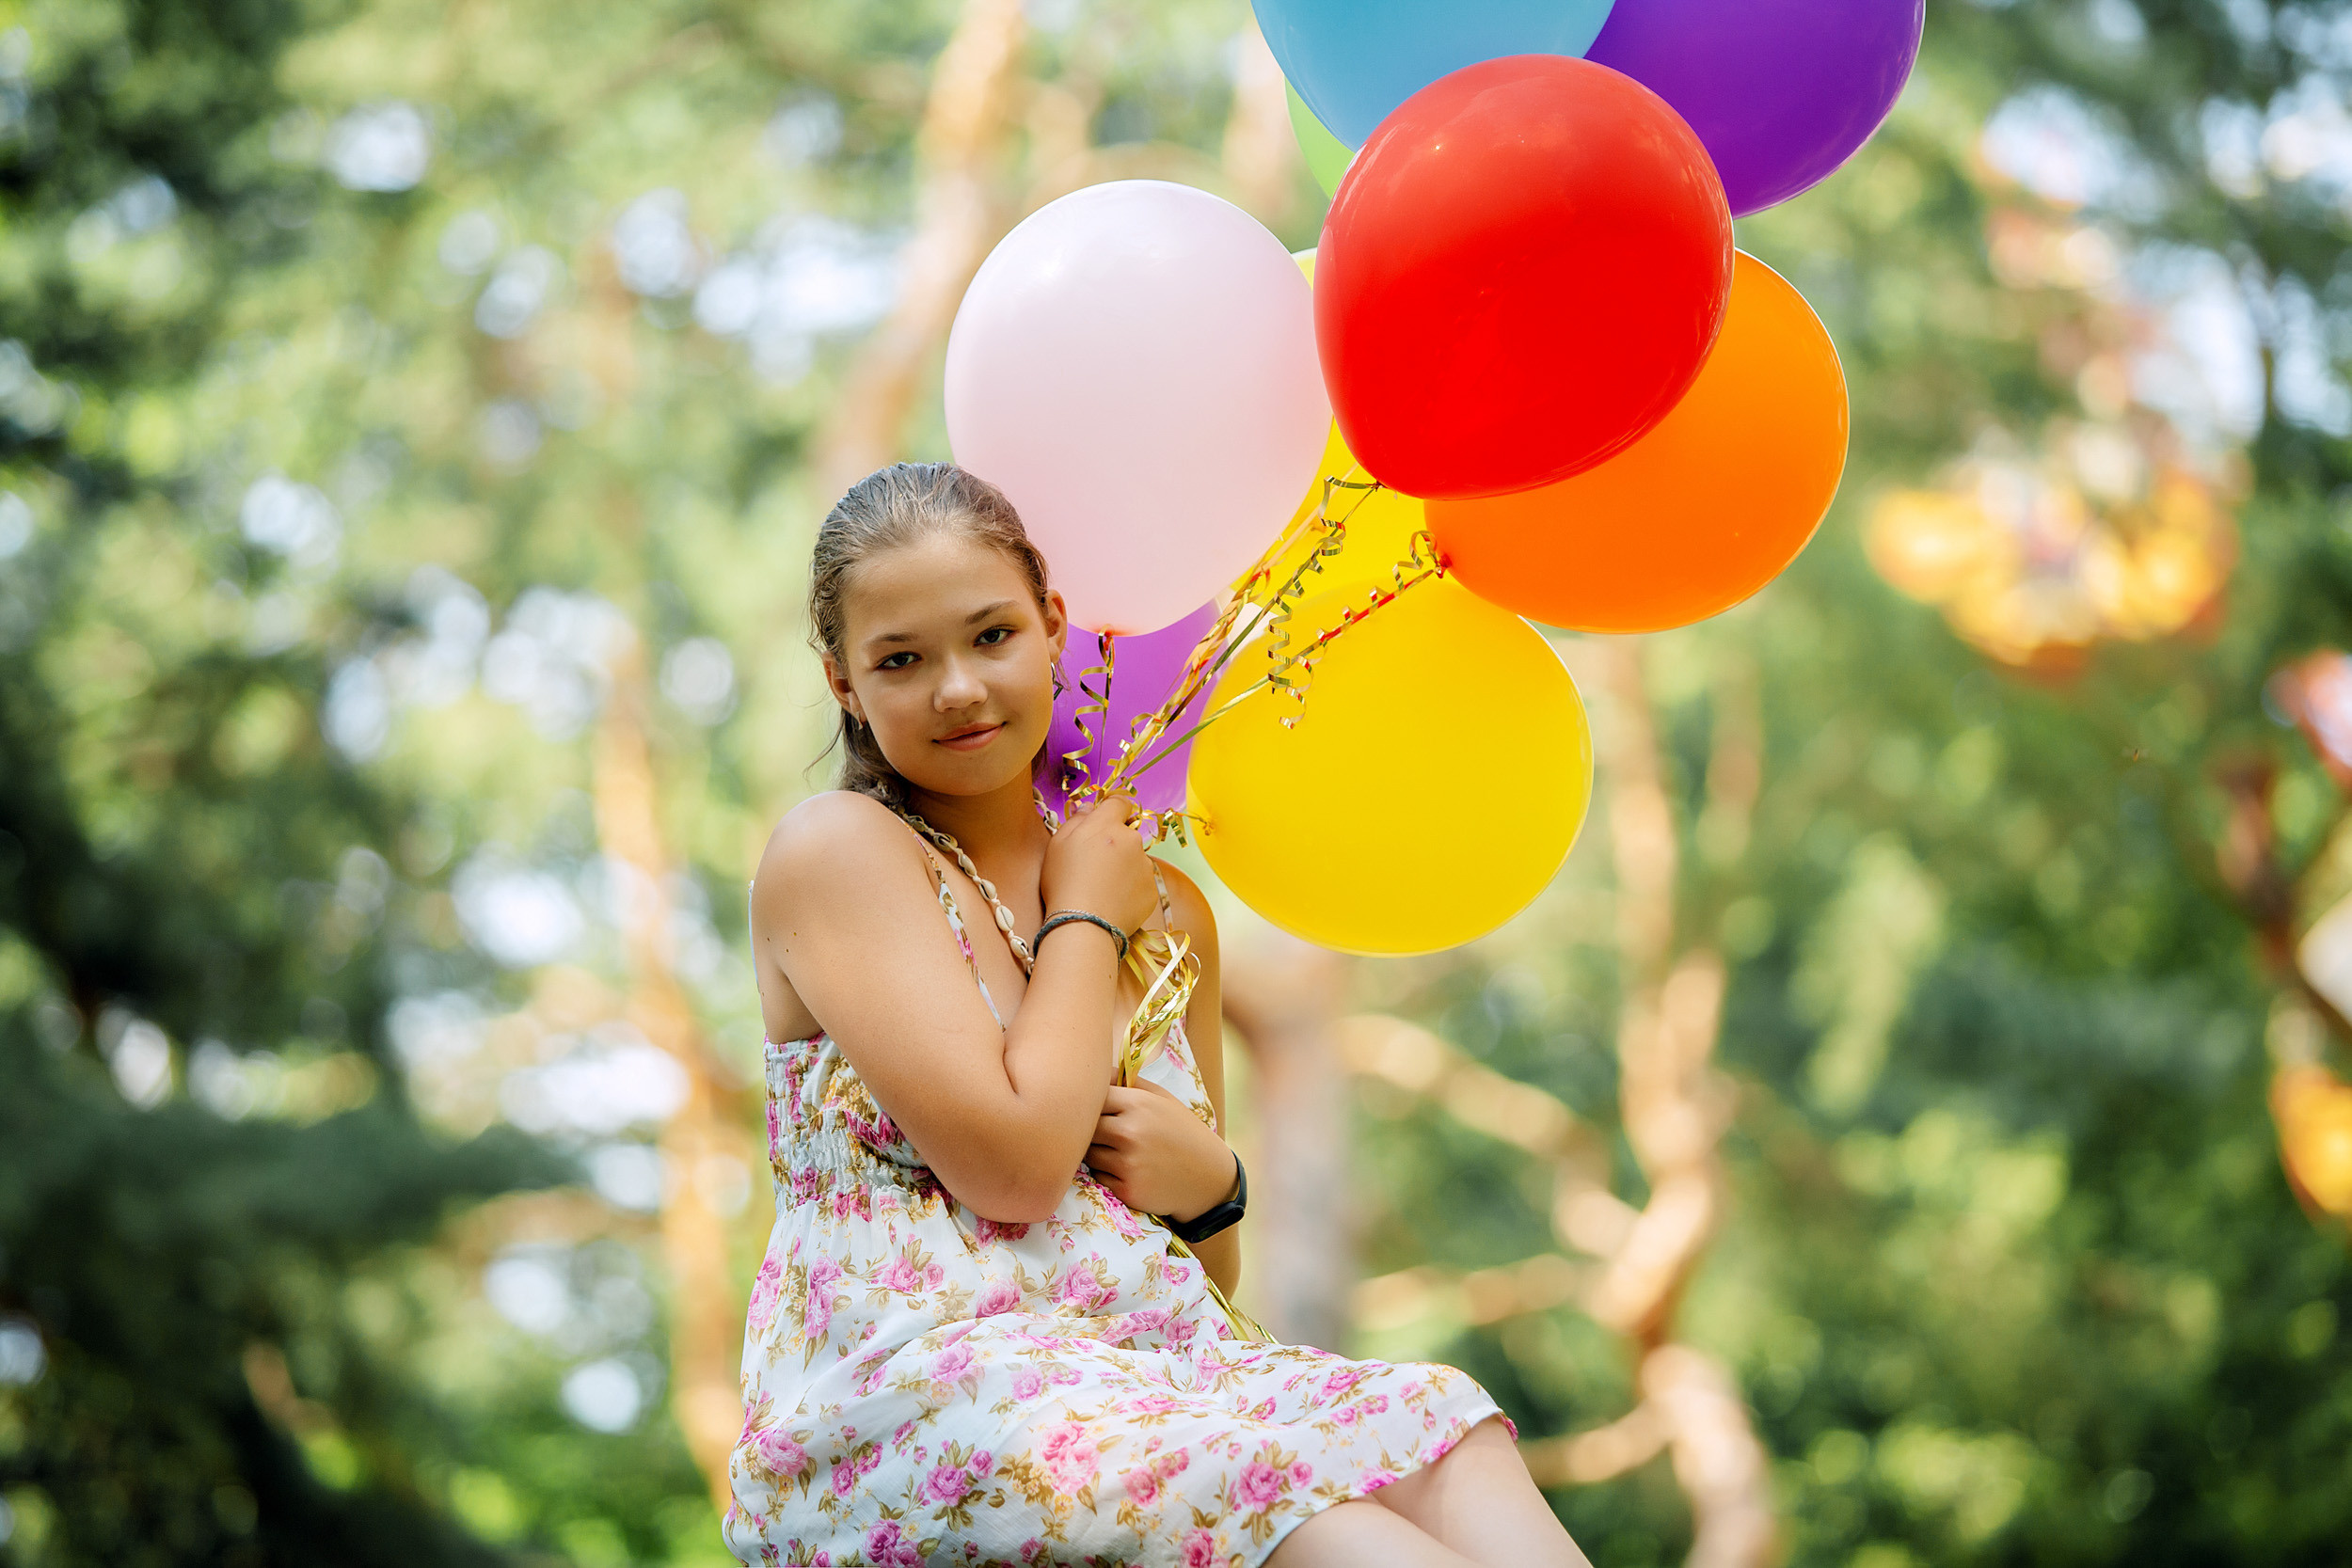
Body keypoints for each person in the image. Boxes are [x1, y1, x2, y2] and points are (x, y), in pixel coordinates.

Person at [723, 462, 1591, 1568]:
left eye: (990, 636)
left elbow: (1192, 1273)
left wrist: (1215, 1184)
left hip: (1150, 1370)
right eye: (901, 658)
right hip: (928, 1392)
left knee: (1450, 1428)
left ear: (1051, 625)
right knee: (1340, 1530)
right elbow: (1016, 1171)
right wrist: (1082, 912)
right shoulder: (840, 855)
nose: (955, 687)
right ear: (843, 680)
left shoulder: (1166, 910)